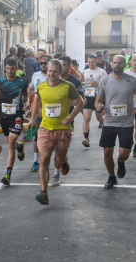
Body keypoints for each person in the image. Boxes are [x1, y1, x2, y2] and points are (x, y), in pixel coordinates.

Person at [28, 60, 84, 204]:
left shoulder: (68, 86)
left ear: (60, 72)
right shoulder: (41, 86)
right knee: (44, 158)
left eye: (55, 71)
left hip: (62, 130)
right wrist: (32, 118)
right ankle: (44, 192)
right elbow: (37, 101)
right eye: (49, 71)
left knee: (59, 159)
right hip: (45, 128)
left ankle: (64, 161)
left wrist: (71, 117)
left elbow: (81, 102)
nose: (51, 74)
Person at [95, 55, 136, 188]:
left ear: (125, 65)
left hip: (126, 122)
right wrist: (98, 106)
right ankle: (112, 177)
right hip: (109, 122)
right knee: (107, 153)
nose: (117, 65)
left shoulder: (132, 80)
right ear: (111, 64)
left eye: (120, 63)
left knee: (124, 154)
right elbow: (98, 100)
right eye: (114, 63)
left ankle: (121, 161)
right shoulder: (104, 80)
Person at [0, 57, 29, 186]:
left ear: (16, 68)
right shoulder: (0, 81)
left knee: (11, 143)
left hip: (17, 115)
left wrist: (27, 102)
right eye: (7, 68)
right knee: (11, 143)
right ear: (5, 68)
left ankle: (8, 174)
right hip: (4, 115)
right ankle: (20, 147)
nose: (10, 71)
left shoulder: (22, 81)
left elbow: (25, 94)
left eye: (12, 68)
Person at [52, 55, 85, 186]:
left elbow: (83, 101)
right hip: (51, 119)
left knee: (60, 151)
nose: (60, 67)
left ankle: (63, 161)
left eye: (64, 65)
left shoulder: (75, 82)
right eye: (59, 64)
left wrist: (75, 102)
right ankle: (55, 174)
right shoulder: (52, 79)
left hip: (66, 120)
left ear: (69, 66)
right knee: (53, 148)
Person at [28, 55, 51, 172]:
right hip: (37, 109)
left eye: (45, 63)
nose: (43, 65)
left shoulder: (52, 76)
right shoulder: (35, 75)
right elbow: (31, 89)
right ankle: (36, 161)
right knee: (36, 136)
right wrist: (27, 102)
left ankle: (54, 161)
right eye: (41, 63)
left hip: (50, 110)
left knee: (50, 136)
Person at [82, 54, 107, 147]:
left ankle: (102, 121)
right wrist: (82, 84)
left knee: (99, 118)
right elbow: (85, 82)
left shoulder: (101, 71)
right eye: (88, 61)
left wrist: (96, 84)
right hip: (87, 97)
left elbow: (106, 84)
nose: (90, 63)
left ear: (96, 61)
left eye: (92, 62)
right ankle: (86, 138)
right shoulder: (85, 71)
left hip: (98, 97)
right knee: (86, 118)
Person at [124, 54, 136, 157]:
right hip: (126, 105)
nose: (135, 62)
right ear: (130, 61)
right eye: (134, 60)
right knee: (128, 128)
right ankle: (128, 144)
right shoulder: (125, 74)